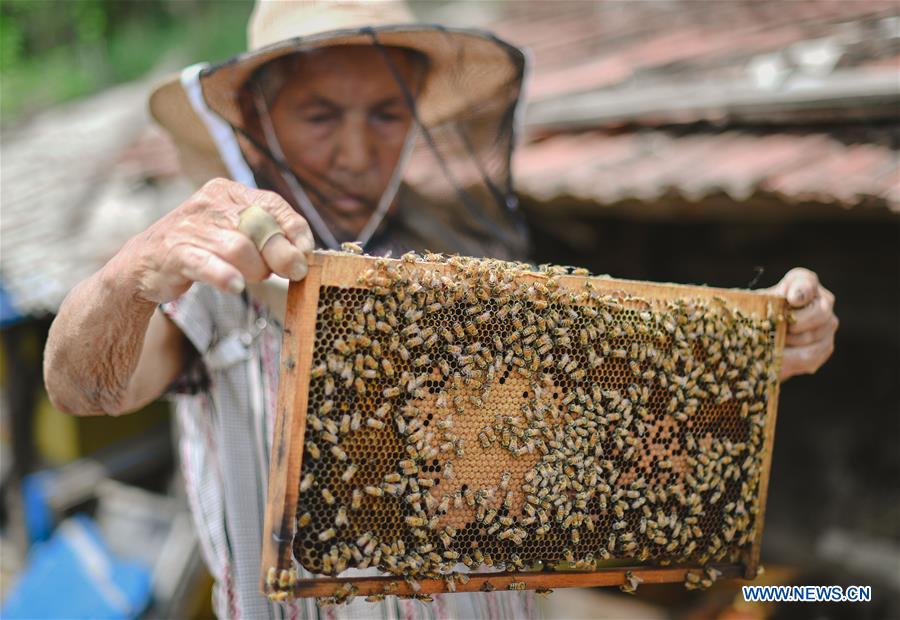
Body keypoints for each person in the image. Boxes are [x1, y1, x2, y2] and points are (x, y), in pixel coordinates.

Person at [43, 1, 838, 618]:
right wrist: (130, 276)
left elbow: (608, 426)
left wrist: (762, 340)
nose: (356, 150)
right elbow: (85, 390)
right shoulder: (207, 278)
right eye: (321, 116)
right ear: (256, 119)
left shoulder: (477, 271)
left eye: (386, 115)